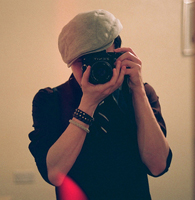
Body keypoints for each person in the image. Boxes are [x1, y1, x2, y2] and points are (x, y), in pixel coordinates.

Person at [28, 9, 172, 200]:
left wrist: (137, 90)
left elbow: (158, 166)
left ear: (118, 50)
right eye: (84, 61)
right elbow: (54, 174)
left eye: (101, 57)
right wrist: (87, 104)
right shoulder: (50, 100)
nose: (94, 67)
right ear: (70, 63)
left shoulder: (141, 93)